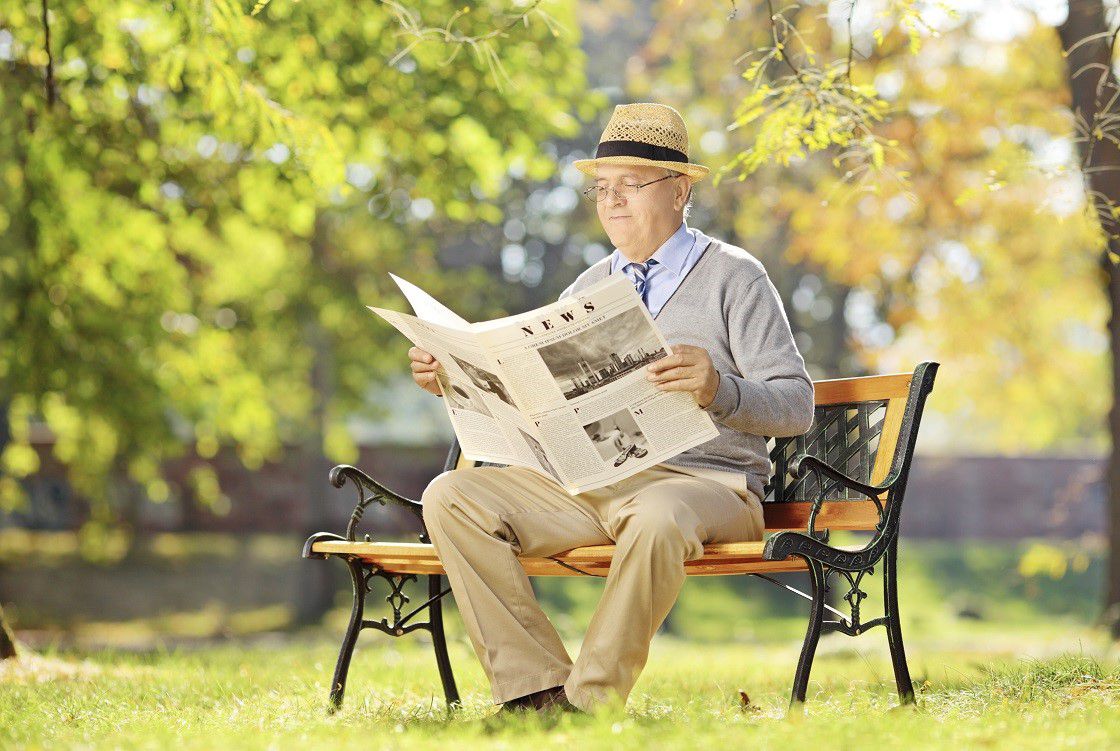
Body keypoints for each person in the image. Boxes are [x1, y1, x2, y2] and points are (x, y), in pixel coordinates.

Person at [408, 103, 814, 715]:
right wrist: (458, 380)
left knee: (656, 514)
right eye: (603, 188)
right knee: (451, 496)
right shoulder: (588, 288)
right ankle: (533, 693)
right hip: (594, 483)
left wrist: (718, 390)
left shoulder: (736, 277)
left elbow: (797, 407)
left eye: (630, 184)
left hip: (708, 488)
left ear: (679, 191)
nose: (612, 201)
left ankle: (589, 702)